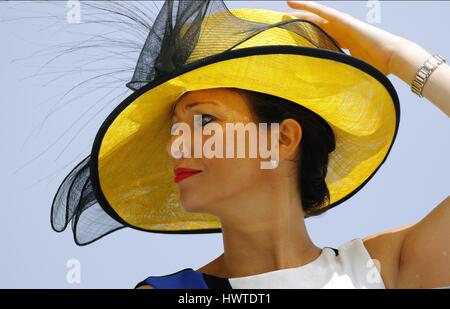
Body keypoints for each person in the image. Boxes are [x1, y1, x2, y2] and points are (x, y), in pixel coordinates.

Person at [51, 0, 449, 289]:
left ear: (283, 138)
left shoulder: (384, 268)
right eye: (174, 130)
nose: (176, 147)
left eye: (204, 120)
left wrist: (400, 56)